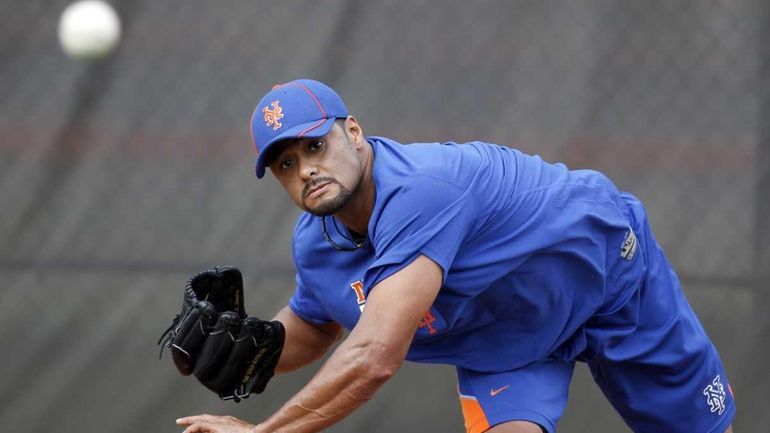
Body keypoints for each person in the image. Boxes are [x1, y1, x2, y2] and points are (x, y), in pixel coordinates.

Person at [176, 79, 735, 433]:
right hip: (509, 335)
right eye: (285, 164)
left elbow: (373, 355)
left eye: (314, 146)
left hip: (609, 278)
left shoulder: (422, 189)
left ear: (353, 132)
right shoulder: (316, 243)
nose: (306, 170)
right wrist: (258, 348)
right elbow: (320, 322)